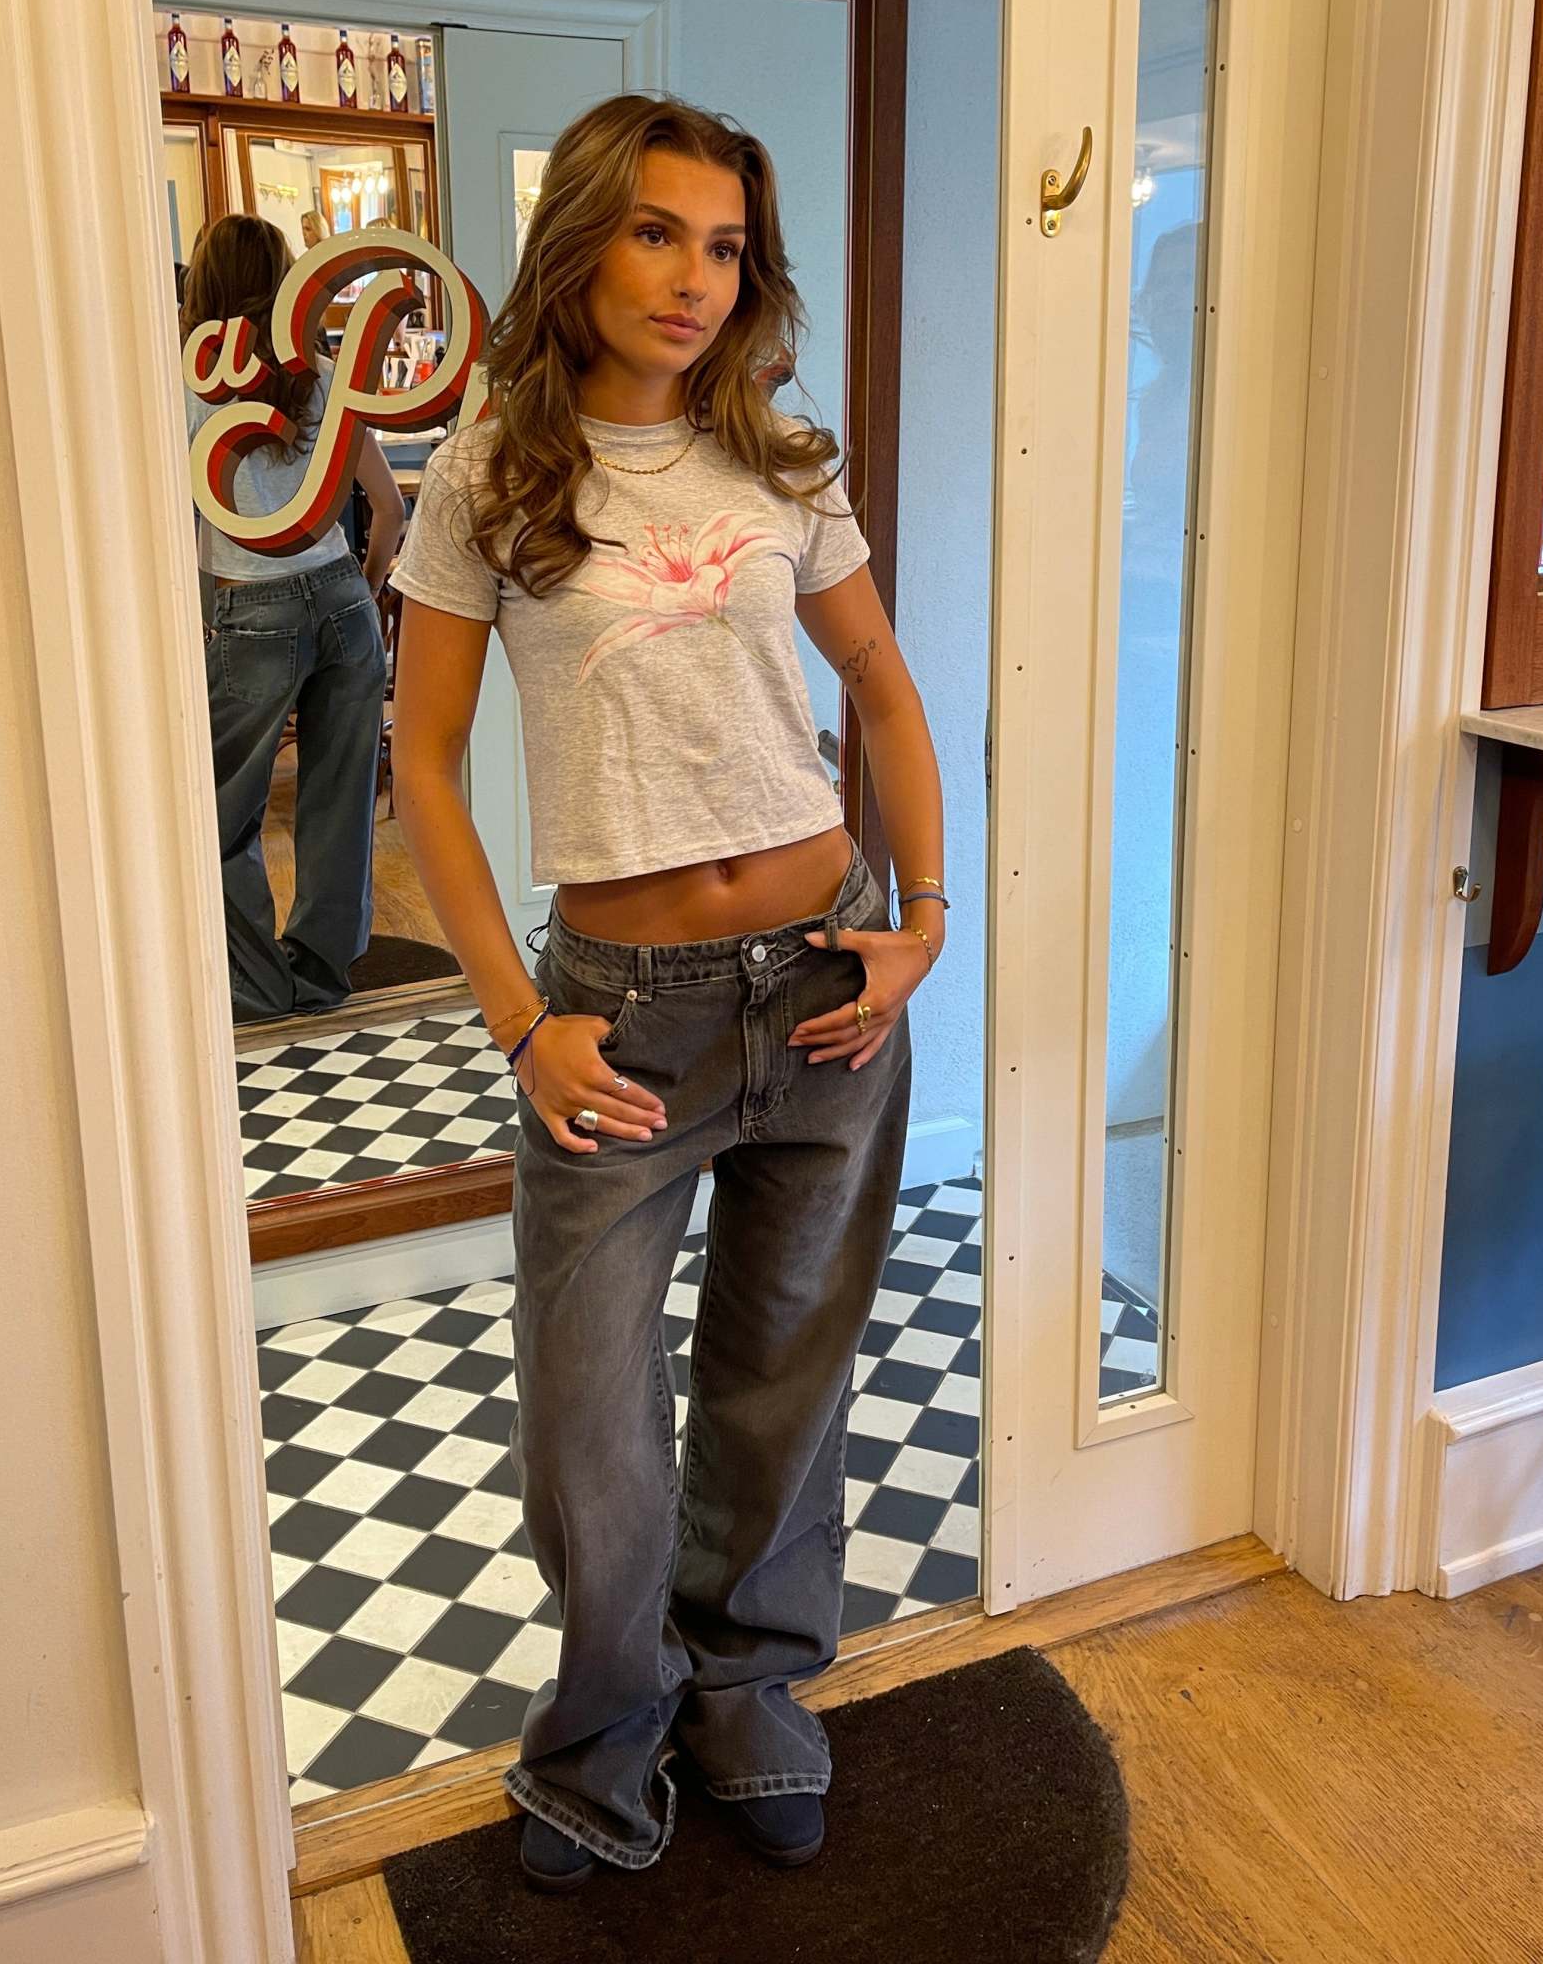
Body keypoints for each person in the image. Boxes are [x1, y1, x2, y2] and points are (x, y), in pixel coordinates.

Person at [388, 95, 947, 1893]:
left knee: (786, 1370)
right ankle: (603, 1728)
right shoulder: (490, 472)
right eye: (654, 232)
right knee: (591, 1416)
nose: (693, 277)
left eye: (723, 245)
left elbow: (883, 688)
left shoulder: (778, 460)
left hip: (825, 986)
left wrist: (923, 919)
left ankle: (749, 1689)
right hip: (621, 1015)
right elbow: (421, 761)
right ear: (581, 241)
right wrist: (517, 1020)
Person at [182, 213, 406, 1024]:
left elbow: (173, 526)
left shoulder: (189, 389)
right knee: (339, 808)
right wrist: (365, 593)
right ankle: (318, 981)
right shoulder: (323, 377)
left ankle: (256, 990)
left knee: (217, 814)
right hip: (341, 596)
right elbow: (388, 509)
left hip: (249, 608)